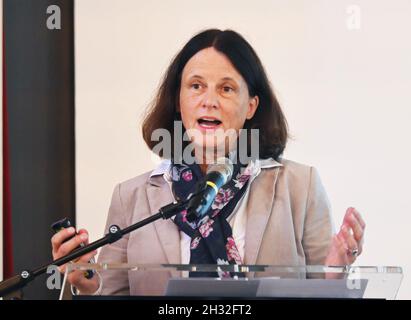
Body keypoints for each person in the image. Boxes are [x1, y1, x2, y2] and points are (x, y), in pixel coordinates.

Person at [51, 29, 366, 296]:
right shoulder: (132, 197)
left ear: (251, 106)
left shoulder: (301, 187)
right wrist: (88, 284)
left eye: (226, 88)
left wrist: (334, 276)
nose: (209, 100)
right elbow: (111, 294)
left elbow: (325, 293)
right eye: (196, 86)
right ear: (178, 100)